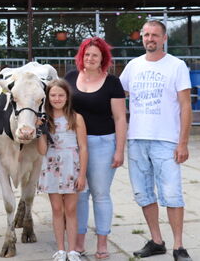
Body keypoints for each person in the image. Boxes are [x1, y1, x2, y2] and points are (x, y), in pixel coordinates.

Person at [119, 20, 193, 261]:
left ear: (164, 38)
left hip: (166, 140)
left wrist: (183, 142)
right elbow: (117, 96)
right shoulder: (133, 66)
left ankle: (179, 246)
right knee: (143, 193)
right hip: (137, 139)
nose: (150, 39)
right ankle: (157, 241)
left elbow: (185, 106)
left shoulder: (176, 66)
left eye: (155, 35)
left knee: (172, 194)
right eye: (146, 35)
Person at [64, 37, 127, 259]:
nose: (90, 58)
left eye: (95, 55)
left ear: (103, 59)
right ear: (81, 56)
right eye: (87, 54)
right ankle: (79, 243)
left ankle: (102, 243)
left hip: (103, 143)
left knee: (100, 194)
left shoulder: (112, 83)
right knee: (79, 194)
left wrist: (119, 150)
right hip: (74, 145)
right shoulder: (70, 77)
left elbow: (120, 118)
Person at [37, 79, 88, 261]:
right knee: (57, 209)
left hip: (71, 167)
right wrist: (39, 130)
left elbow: (83, 147)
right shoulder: (44, 120)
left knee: (71, 209)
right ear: (47, 98)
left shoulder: (76, 118)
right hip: (51, 167)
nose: (57, 98)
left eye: (61, 95)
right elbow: (42, 150)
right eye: (53, 95)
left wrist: (82, 174)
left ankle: (73, 250)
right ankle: (60, 249)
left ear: (67, 97)